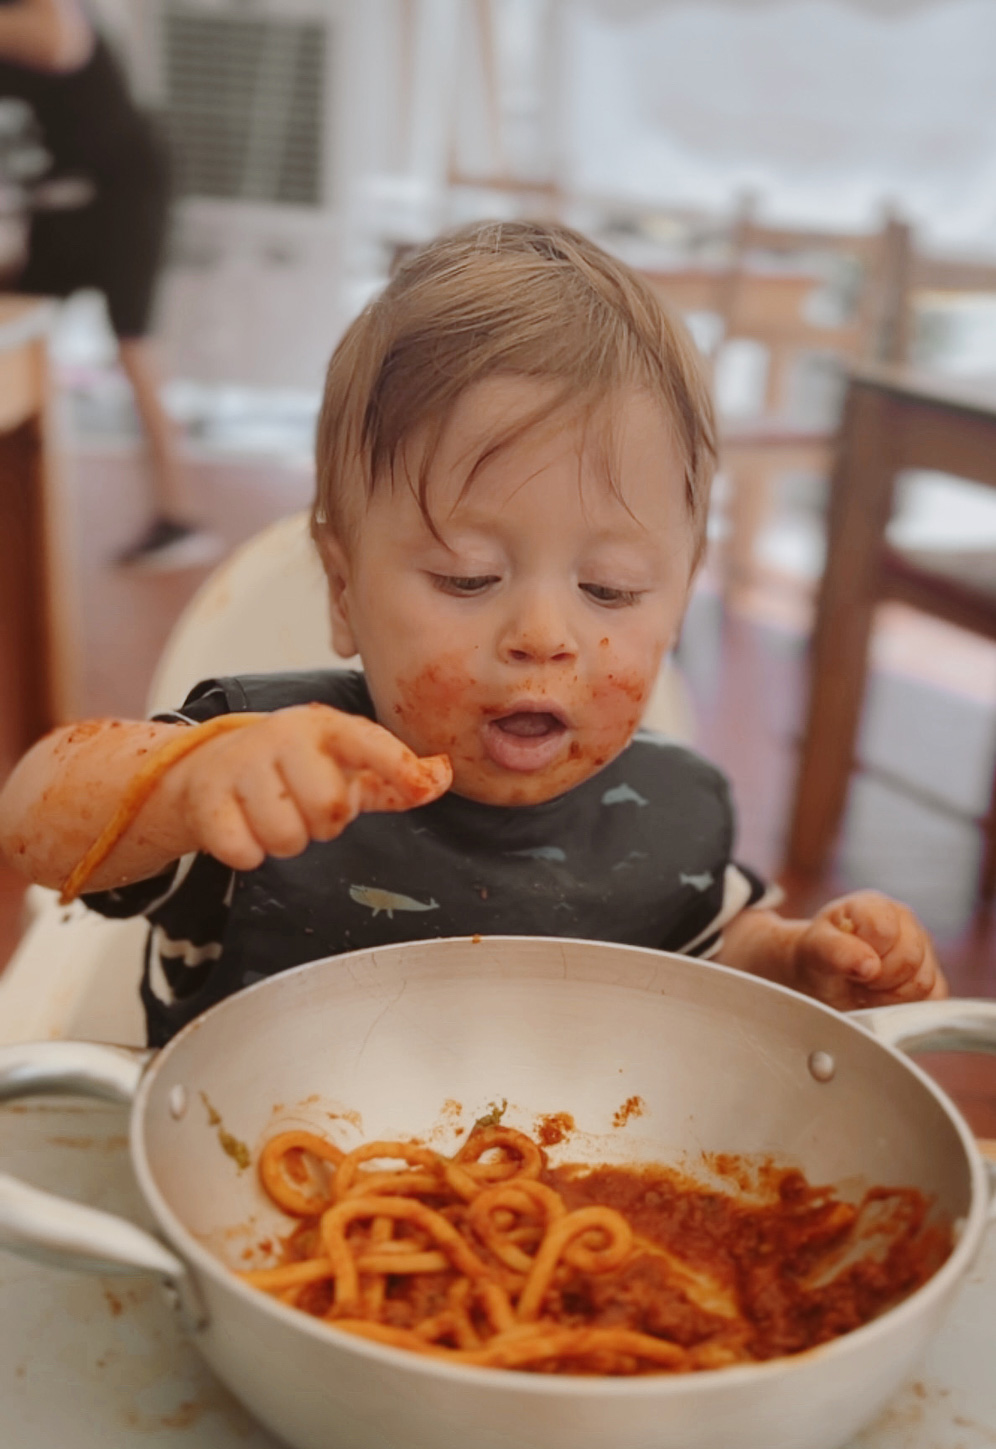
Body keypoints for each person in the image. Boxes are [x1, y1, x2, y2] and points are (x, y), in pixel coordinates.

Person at [0, 221, 946, 1046]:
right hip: (243, 1199)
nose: (542, 635)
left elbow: (708, 955)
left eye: (611, 591)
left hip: (553, 1214)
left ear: (680, 598)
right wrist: (186, 782)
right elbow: (34, 826)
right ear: (343, 588)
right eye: (469, 578)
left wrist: (798, 965)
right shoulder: (264, 767)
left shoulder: (676, 808)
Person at [0, 0, 220, 569]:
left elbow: (57, 42)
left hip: (124, 191)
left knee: (133, 341)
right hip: (56, 200)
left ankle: (178, 516)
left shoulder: (43, 14)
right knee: (15, 324)